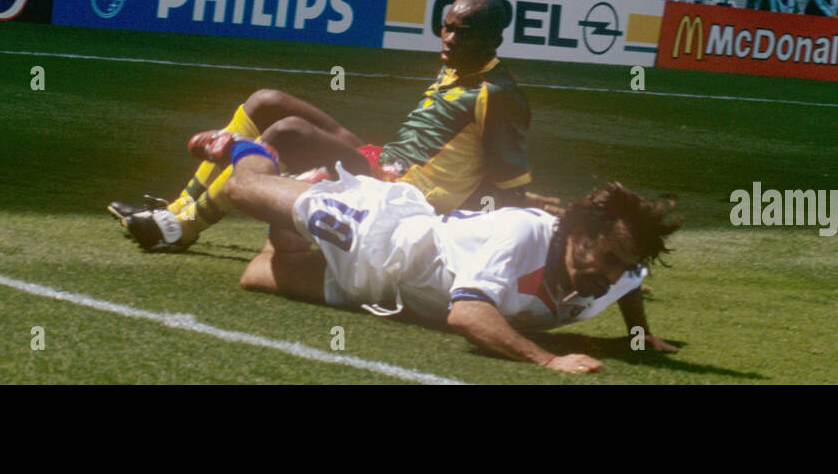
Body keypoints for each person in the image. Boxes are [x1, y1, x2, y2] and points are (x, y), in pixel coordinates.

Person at [110, 0, 557, 251]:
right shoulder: (458, 66)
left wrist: (531, 217)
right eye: (447, 26)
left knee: (287, 134)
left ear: (494, 39)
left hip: (402, 196)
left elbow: (506, 183)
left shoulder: (498, 96)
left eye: (462, 31)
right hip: (384, 163)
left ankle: (182, 229)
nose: (449, 38)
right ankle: (172, 209)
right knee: (267, 101)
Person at [226, 149, 681, 372]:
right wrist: (546, 360)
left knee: (256, 275)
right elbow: (466, 314)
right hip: (378, 236)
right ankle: (248, 149)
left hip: (381, 292)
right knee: (240, 189)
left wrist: (641, 333)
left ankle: (292, 217)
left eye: (625, 264)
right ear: (580, 233)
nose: (613, 275)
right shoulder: (524, 235)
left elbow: (632, 283)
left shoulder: (618, 269)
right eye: (609, 259)